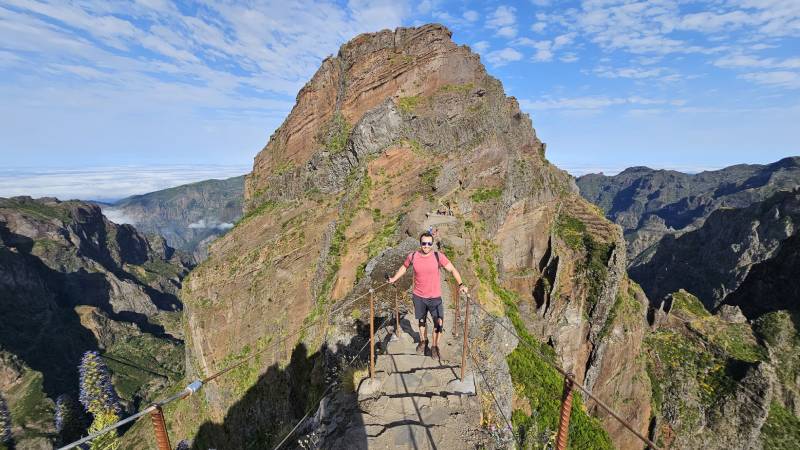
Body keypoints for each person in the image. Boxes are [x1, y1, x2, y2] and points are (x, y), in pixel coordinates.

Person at [387, 232, 468, 359]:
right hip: (419, 296)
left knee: (439, 323)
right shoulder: (413, 256)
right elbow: (404, 267)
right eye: (424, 243)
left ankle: (435, 346)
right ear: (420, 243)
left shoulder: (438, 256)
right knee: (421, 321)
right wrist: (394, 279)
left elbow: (452, 269)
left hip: (435, 297)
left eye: (429, 243)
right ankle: (423, 341)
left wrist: (461, 284)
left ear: (432, 244)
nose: (426, 246)